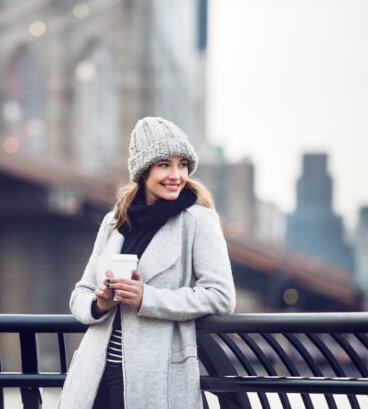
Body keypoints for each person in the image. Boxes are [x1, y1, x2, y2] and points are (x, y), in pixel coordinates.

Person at [58, 117, 236, 409]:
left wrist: (147, 298)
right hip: (95, 375)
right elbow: (81, 292)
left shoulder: (197, 221)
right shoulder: (115, 221)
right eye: (164, 164)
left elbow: (221, 297)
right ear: (143, 170)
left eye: (182, 164)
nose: (176, 175)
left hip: (155, 377)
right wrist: (99, 303)